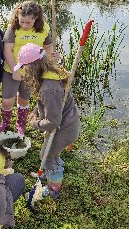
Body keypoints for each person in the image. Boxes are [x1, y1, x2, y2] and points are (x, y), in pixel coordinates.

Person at [14, 43, 80, 198]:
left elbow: (53, 121)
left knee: (47, 155)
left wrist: (34, 123)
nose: (24, 71)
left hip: (63, 128)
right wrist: (37, 111)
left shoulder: (49, 88)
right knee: (48, 153)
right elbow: (47, 104)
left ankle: (53, 187)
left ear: (32, 67)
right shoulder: (48, 74)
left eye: (24, 67)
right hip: (66, 123)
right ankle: (52, 170)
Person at [0, 1, 54, 135]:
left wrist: (52, 56)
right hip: (12, 69)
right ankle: (5, 123)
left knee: (24, 98)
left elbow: (48, 48)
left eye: (28, 22)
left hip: (32, 71)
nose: (24, 25)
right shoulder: (13, 28)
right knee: (7, 100)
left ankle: (20, 124)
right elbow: (7, 50)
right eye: (22, 22)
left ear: (36, 18)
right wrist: (15, 70)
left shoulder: (44, 28)